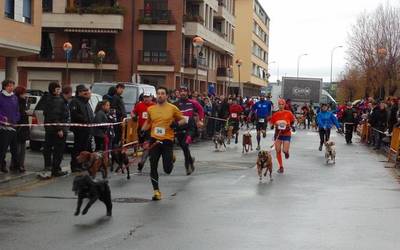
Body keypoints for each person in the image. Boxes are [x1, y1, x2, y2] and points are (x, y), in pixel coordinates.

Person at [141, 87, 186, 200]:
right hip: (154, 140)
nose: (160, 95)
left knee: (167, 170)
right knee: (153, 165)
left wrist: (176, 124)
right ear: (156, 95)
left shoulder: (173, 108)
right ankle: (156, 192)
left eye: (162, 93)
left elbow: (183, 120)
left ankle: (172, 158)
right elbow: (148, 122)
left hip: (167, 140)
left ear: (166, 96)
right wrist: (142, 131)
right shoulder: (151, 109)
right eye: (158, 93)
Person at [175, 87, 204, 175]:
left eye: (184, 91)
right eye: (181, 91)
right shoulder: (175, 104)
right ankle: (191, 160)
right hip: (180, 127)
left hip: (190, 128)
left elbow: (201, 110)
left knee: (185, 144)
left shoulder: (193, 102)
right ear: (179, 93)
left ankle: (187, 166)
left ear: (187, 93)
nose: (183, 93)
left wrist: (200, 120)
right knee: (184, 148)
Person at [43, 82, 68, 177]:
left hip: (49, 129)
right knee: (58, 150)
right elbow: (55, 116)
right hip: (56, 129)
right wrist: (59, 129)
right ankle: (56, 169)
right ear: (54, 90)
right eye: (58, 89)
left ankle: (51, 166)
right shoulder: (57, 101)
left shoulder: (47, 99)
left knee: (48, 148)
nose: (59, 91)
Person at [70, 85, 94, 172]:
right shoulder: (75, 102)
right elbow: (75, 114)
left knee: (84, 148)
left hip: (87, 129)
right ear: (79, 92)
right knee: (77, 148)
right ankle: (75, 165)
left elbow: (90, 114)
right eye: (84, 91)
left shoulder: (86, 102)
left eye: (87, 91)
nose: (86, 92)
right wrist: (85, 120)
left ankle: (81, 164)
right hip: (79, 129)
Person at [270, 99, 296, 174]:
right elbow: (271, 122)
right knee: (278, 150)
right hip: (278, 134)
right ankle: (281, 166)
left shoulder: (288, 113)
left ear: (284, 105)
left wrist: (291, 126)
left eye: (282, 104)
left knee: (284, 150)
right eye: (279, 104)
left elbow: (293, 121)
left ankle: (286, 152)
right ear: (278, 105)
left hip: (286, 134)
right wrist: (272, 125)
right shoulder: (275, 114)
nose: (281, 106)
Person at [131, 92, 155, 172]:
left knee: (146, 146)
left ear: (151, 97)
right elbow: (133, 112)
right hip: (141, 129)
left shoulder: (154, 106)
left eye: (147, 97)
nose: (146, 98)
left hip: (150, 129)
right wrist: (134, 116)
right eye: (144, 97)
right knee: (143, 145)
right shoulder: (139, 105)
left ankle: (142, 162)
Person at [0, 80, 20, 173]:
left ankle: (16, 165)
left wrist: (16, 119)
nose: (11, 87)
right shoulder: (1, 97)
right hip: (3, 126)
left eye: (12, 86)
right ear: (4, 87)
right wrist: (3, 118)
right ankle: (2, 165)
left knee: (14, 148)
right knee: (3, 148)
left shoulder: (14, 97)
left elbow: (17, 110)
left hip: (13, 125)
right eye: (9, 86)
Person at [14, 86, 30, 173]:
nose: (26, 94)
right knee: (17, 148)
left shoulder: (24, 102)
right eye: (24, 93)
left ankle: (21, 164)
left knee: (22, 148)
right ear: (20, 94)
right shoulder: (16, 102)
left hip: (24, 127)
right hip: (19, 127)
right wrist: (24, 113)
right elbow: (18, 114)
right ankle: (17, 164)